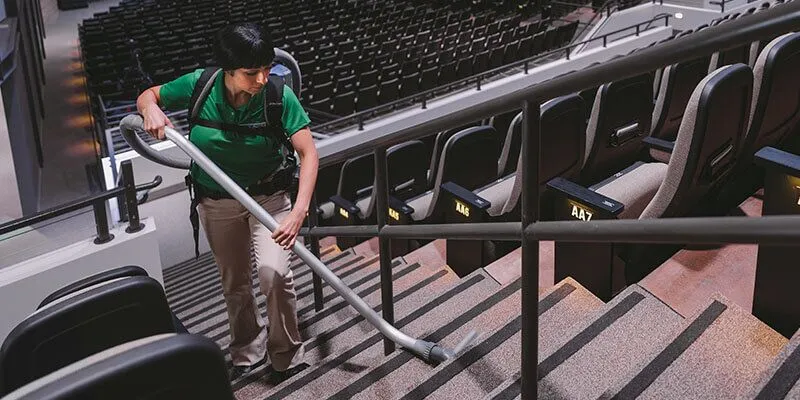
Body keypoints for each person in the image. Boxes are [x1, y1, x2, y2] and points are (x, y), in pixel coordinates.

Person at [136, 22, 316, 383]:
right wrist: (148, 108)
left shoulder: (278, 95)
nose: (263, 78)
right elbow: (148, 95)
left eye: (267, 68)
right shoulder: (200, 85)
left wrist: (299, 211)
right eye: (252, 73)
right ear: (227, 70)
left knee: (275, 276)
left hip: (269, 198)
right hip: (216, 201)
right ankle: (247, 349)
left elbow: (308, 152)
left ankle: (285, 354)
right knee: (235, 282)